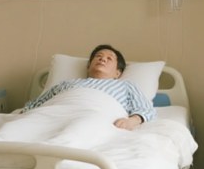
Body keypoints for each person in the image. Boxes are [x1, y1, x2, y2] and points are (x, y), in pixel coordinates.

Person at [22, 44, 156, 130]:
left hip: (93, 118)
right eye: (98, 56)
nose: (102, 59)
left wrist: (131, 121)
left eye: (109, 58)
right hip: (52, 117)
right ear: (88, 66)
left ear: (117, 73)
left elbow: (145, 109)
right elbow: (35, 105)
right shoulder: (66, 84)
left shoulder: (125, 85)